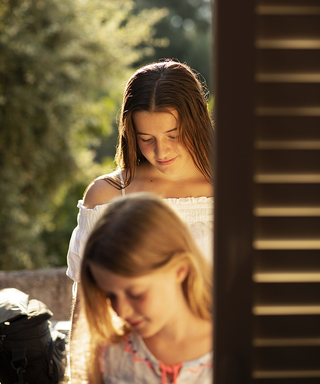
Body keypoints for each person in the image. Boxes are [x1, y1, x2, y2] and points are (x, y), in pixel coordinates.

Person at [66, 59, 214, 298]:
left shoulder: (237, 190)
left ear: (197, 124)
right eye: (146, 138)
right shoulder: (106, 197)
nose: (161, 151)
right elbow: (86, 309)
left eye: (173, 135)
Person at [71, 193, 212, 384]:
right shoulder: (109, 353)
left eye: (135, 294)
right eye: (110, 295)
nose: (121, 310)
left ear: (180, 270)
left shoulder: (237, 349)